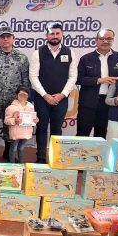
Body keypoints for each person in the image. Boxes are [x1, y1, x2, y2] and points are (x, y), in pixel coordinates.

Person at [30, 22, 78, 164]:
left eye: (57, 33)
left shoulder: (70, 53)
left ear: (62, 34)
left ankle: (54, 158)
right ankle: (41, 157)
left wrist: (62, 94)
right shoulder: (38, 53)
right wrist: (45, 95)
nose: (55, 36)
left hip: (61, 98)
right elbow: (33, 76)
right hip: (42, 98)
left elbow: (73, 77)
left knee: (57, 129)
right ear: (46, 35)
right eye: (52, 33)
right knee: (42, 128)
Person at [0, 24, 30, 163]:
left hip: (14, 100)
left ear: (13, 38)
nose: (5, 39)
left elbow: (25, 80)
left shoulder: (21, 57)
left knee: (11, 126)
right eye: (3, 37)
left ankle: (8, 152)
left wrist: (24, 99)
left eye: (8, 36)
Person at [76, 29, 118, 137]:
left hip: (109, 103)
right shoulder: (86, 58)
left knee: (101, 135)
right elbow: (78, 79)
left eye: (109, 39)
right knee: (82, 134)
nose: (105, 41)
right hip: (87, 102)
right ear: (96, 40)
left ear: (113, 40)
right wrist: (99, 80)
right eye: (102, 39)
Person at [4, 86, 38, 163]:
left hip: (26, 132)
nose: (23, 97)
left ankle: (21, 164)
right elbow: (6, 120)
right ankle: (12, 164)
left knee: (21, 148)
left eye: (25, 95)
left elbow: (33, 118)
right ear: (16, 95)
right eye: (21, 95)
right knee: (14, 148)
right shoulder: (11, 107)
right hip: (16, 132)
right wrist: (14, 120)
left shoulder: (31, 106)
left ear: (28, 96)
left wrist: (35, 120)